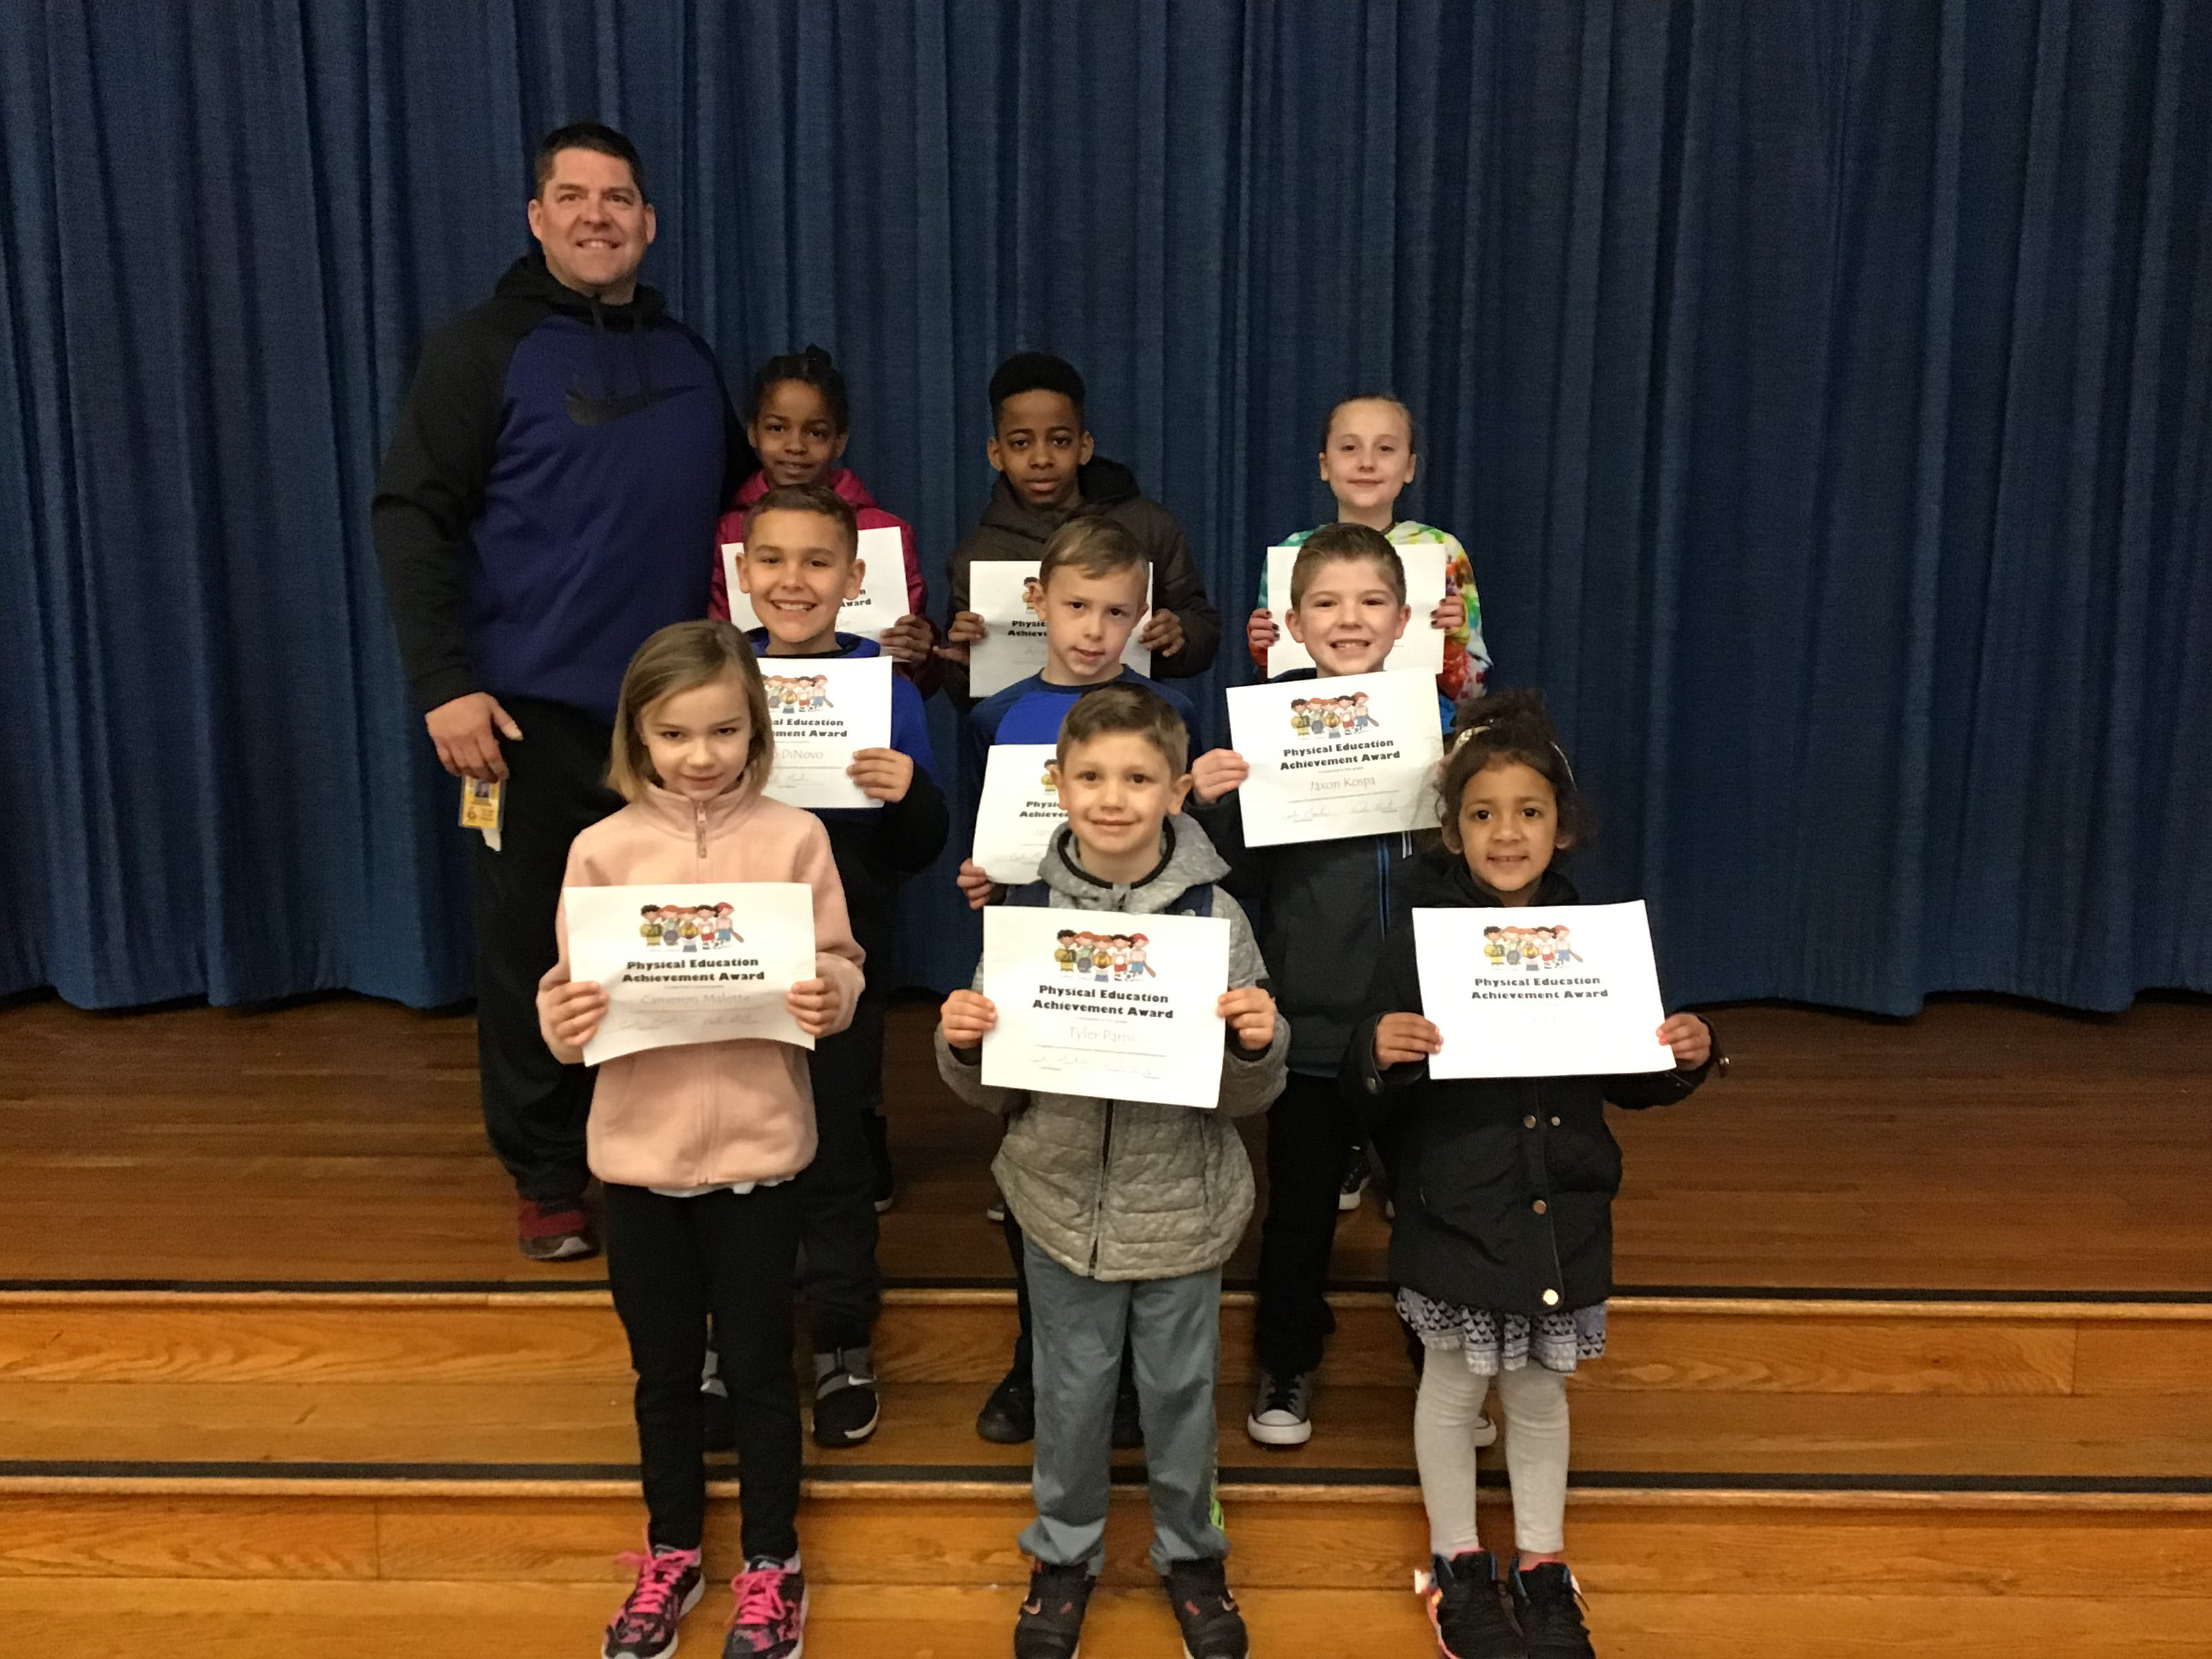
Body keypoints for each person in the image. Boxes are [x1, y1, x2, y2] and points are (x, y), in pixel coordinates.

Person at [373, 121, 745, 1261]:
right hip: (526, 719)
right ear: (537, 218)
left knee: (679, 940)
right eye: (572, 196)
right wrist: (445, 684)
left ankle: (675, 1148)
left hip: (676, 726)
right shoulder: (480, 350)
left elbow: (747, 518)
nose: (597, 215)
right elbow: (411, 517)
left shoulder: (687, 355)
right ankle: (545, 1171)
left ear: (648, 221)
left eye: (619, 198)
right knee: (535, 945)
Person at [1345, 689, 1719, 1659]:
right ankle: (1459, 1567)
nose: (1506, 834)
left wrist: (1683, 1055)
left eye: (1529, 812)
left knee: (1542, 1394)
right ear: (1452, 830)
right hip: (1456, 1209)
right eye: (1482, 814)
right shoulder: (1415, 947)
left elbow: (1632, 1080)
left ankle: (1544, 1567)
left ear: (1563, 825)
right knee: (1458, 1386)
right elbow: (1373, 1099)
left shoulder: (1600, 943)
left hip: (1562, 1208)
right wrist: (1377, 1055)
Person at [935, 683, 1286, 1659]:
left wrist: (1259, 1041)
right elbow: (990, 1091)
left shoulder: (1219, 917)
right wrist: (963, 1044)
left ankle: (1191, 1554)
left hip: (1184, 1209)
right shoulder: (1025, 912)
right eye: (1090, 776)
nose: (1113, 796)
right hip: (1056, 1209)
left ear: (1178, 791)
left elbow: (1250, 1093)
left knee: (1180, 1393)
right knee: (1071, 1392)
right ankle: (1063, 1554)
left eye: (1138, 777)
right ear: (1056, 785)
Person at [535, 619, 862, 1659]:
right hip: (639, 1166)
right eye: (676, 734)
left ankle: (773, 1564)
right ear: (640, 735)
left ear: (757, 732)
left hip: (762, 1164)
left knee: (763, 1373)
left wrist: (833, 995)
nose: (703, 754)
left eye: (725, 731)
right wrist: (561, 1022)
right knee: (665, 1374)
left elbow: (842, 961)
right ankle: (672, 1549)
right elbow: (562, 989)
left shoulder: (795, 838)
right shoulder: (602, 848)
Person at [1187, 523, 1475, 1447]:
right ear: (1294, 624)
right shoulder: (1258, 731)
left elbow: (1488, 864)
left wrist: (1457, 796)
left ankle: (1442, 1364)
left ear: (1403, 620)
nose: (1349, 619)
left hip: (1419, 1025)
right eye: (1327, 603)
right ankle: (1287, 1360)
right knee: (1302, 1211)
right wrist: (1213, 806)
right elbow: (1229, 881)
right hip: (1310, 1021)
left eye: (1370, 602)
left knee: (1434, 1204)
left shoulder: (1446, 728)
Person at [951, 517, 1197, 1446]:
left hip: (1142, 985)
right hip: (1036, 978)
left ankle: (1133, 1379)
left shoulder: (1167, 715)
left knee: (1135, 1177)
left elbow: (1185, 846)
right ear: (1037, 603)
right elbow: (994, 845)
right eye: (1078, 607)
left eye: (1118, 611)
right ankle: (1034, 1362)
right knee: (1036, 1176)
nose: (1096, 629)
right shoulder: (995, 716)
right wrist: (983, 876)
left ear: (1144, 617)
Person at [730, 481, 949, 1446]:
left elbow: (920, 851)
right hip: (728, 960)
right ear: (742, 574)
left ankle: (843, 1337)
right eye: (771, 560)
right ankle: (731, 1334)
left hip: (841, 960)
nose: (793, 579)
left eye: (818, 562)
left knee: (834, 1151)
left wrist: (908, 796)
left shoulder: (886, 690)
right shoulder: (715, 677)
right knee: (731, 1154)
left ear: (855, 578)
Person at [941, 352, 1220, 706]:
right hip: (1028, 737)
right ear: (996, 453)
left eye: (1059, 440)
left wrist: (1179, 634)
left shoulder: (1149, 527)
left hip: (1132, 724)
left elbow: (1203, 632)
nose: (1041, 459)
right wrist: (966, 663)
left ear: (1084, 446)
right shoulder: (977, 557)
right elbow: (964, 697)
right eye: (1020, 443)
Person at [711, 344, 941, 693]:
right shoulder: (728, 532)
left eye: (815, 432)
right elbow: (716, 644)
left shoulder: (884, 532)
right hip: (755, 714)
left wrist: (922, 652)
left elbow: (910, 671)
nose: (796, 446)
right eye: (777, 429)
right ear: (753, 432)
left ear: (839, 440)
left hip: (862, 710)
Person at [1247, 394, 1490, 705]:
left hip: (1418, 722)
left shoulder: (1442, 551)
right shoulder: (1293, 552)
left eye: (1386, 449)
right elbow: (1274, 688)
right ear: (1325, 465)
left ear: (1410, 467)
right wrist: (1265, 652)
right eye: (1349, 448)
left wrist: (1453, 645)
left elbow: (1472, 694)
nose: (1367, 462)